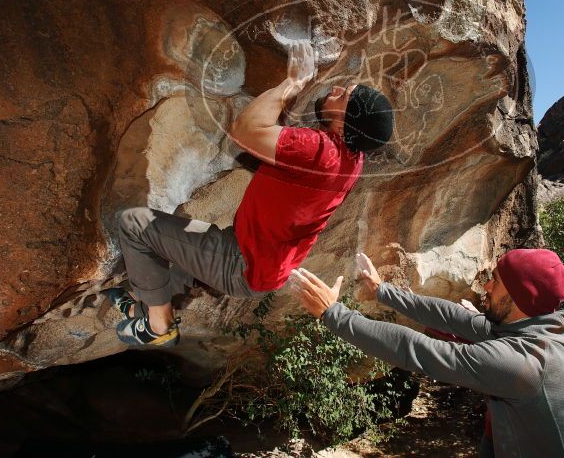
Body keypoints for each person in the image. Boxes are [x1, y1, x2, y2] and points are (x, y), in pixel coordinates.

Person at [109, 41, 394, 346]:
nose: (336, 89)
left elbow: (245, 130)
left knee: (133, 224)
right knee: (178, 253)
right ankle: (142, 304)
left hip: (241, 261)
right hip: (260, 262)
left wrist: (294, 82)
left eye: (345, 96)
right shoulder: (353, 159)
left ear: (346, 122)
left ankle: (158, 326)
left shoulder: (321, 152)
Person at [292, 249, 564, 457]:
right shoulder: (537, 327)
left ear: (519, 296)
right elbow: (454, 317)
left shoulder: (524, 364)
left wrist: (334, 314)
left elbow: (415, 349)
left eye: (494, 281)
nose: (486, 288)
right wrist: (382, 291)